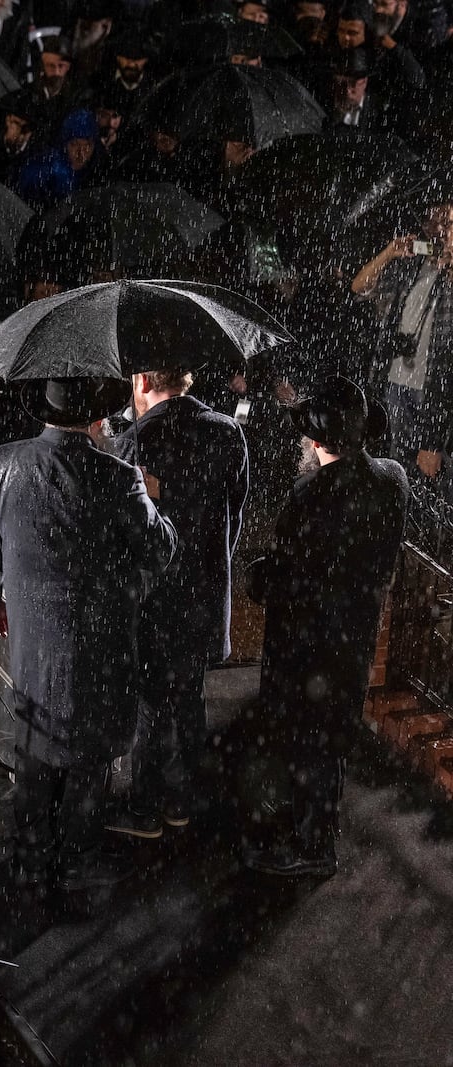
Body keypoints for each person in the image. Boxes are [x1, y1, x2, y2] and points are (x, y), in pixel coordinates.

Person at [0, 377, 177, 911]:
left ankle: (32, 861)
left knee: (35, 746)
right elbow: (158, 552)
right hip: (100, 643)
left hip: (33, 641)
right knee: (90, 755)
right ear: (96, 419)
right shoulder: (119, 476)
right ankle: (76, 863)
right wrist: (152, 502)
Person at [245, 377, 407, 876]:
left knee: (308, 734)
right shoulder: (392, 479)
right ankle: (316, 828)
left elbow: (286, 577)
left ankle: (313, 848)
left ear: (316, 443)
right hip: (353, 635)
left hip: (308, 641)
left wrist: (258, 574)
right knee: (331, 734)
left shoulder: (308, 495)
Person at [106, 367, 249, 838]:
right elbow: (235, 509)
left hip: (155, 597)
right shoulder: (227, 431)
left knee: (149, 700)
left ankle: (144, 808)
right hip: (205, 593)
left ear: (143, 381)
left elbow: (124, 531)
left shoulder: (136, 441)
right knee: (189, 695)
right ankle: (183, 800)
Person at [351, 202, 453, 489]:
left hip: (436, 392)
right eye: (435, 223)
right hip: (398, 383)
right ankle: (403, 525)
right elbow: (359, 288)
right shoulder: (412, 269)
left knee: (437, 475)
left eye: (448, 223)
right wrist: (389, 253)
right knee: (399, 474)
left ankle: (435, 531)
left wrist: (433, 438)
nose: (441, 231)